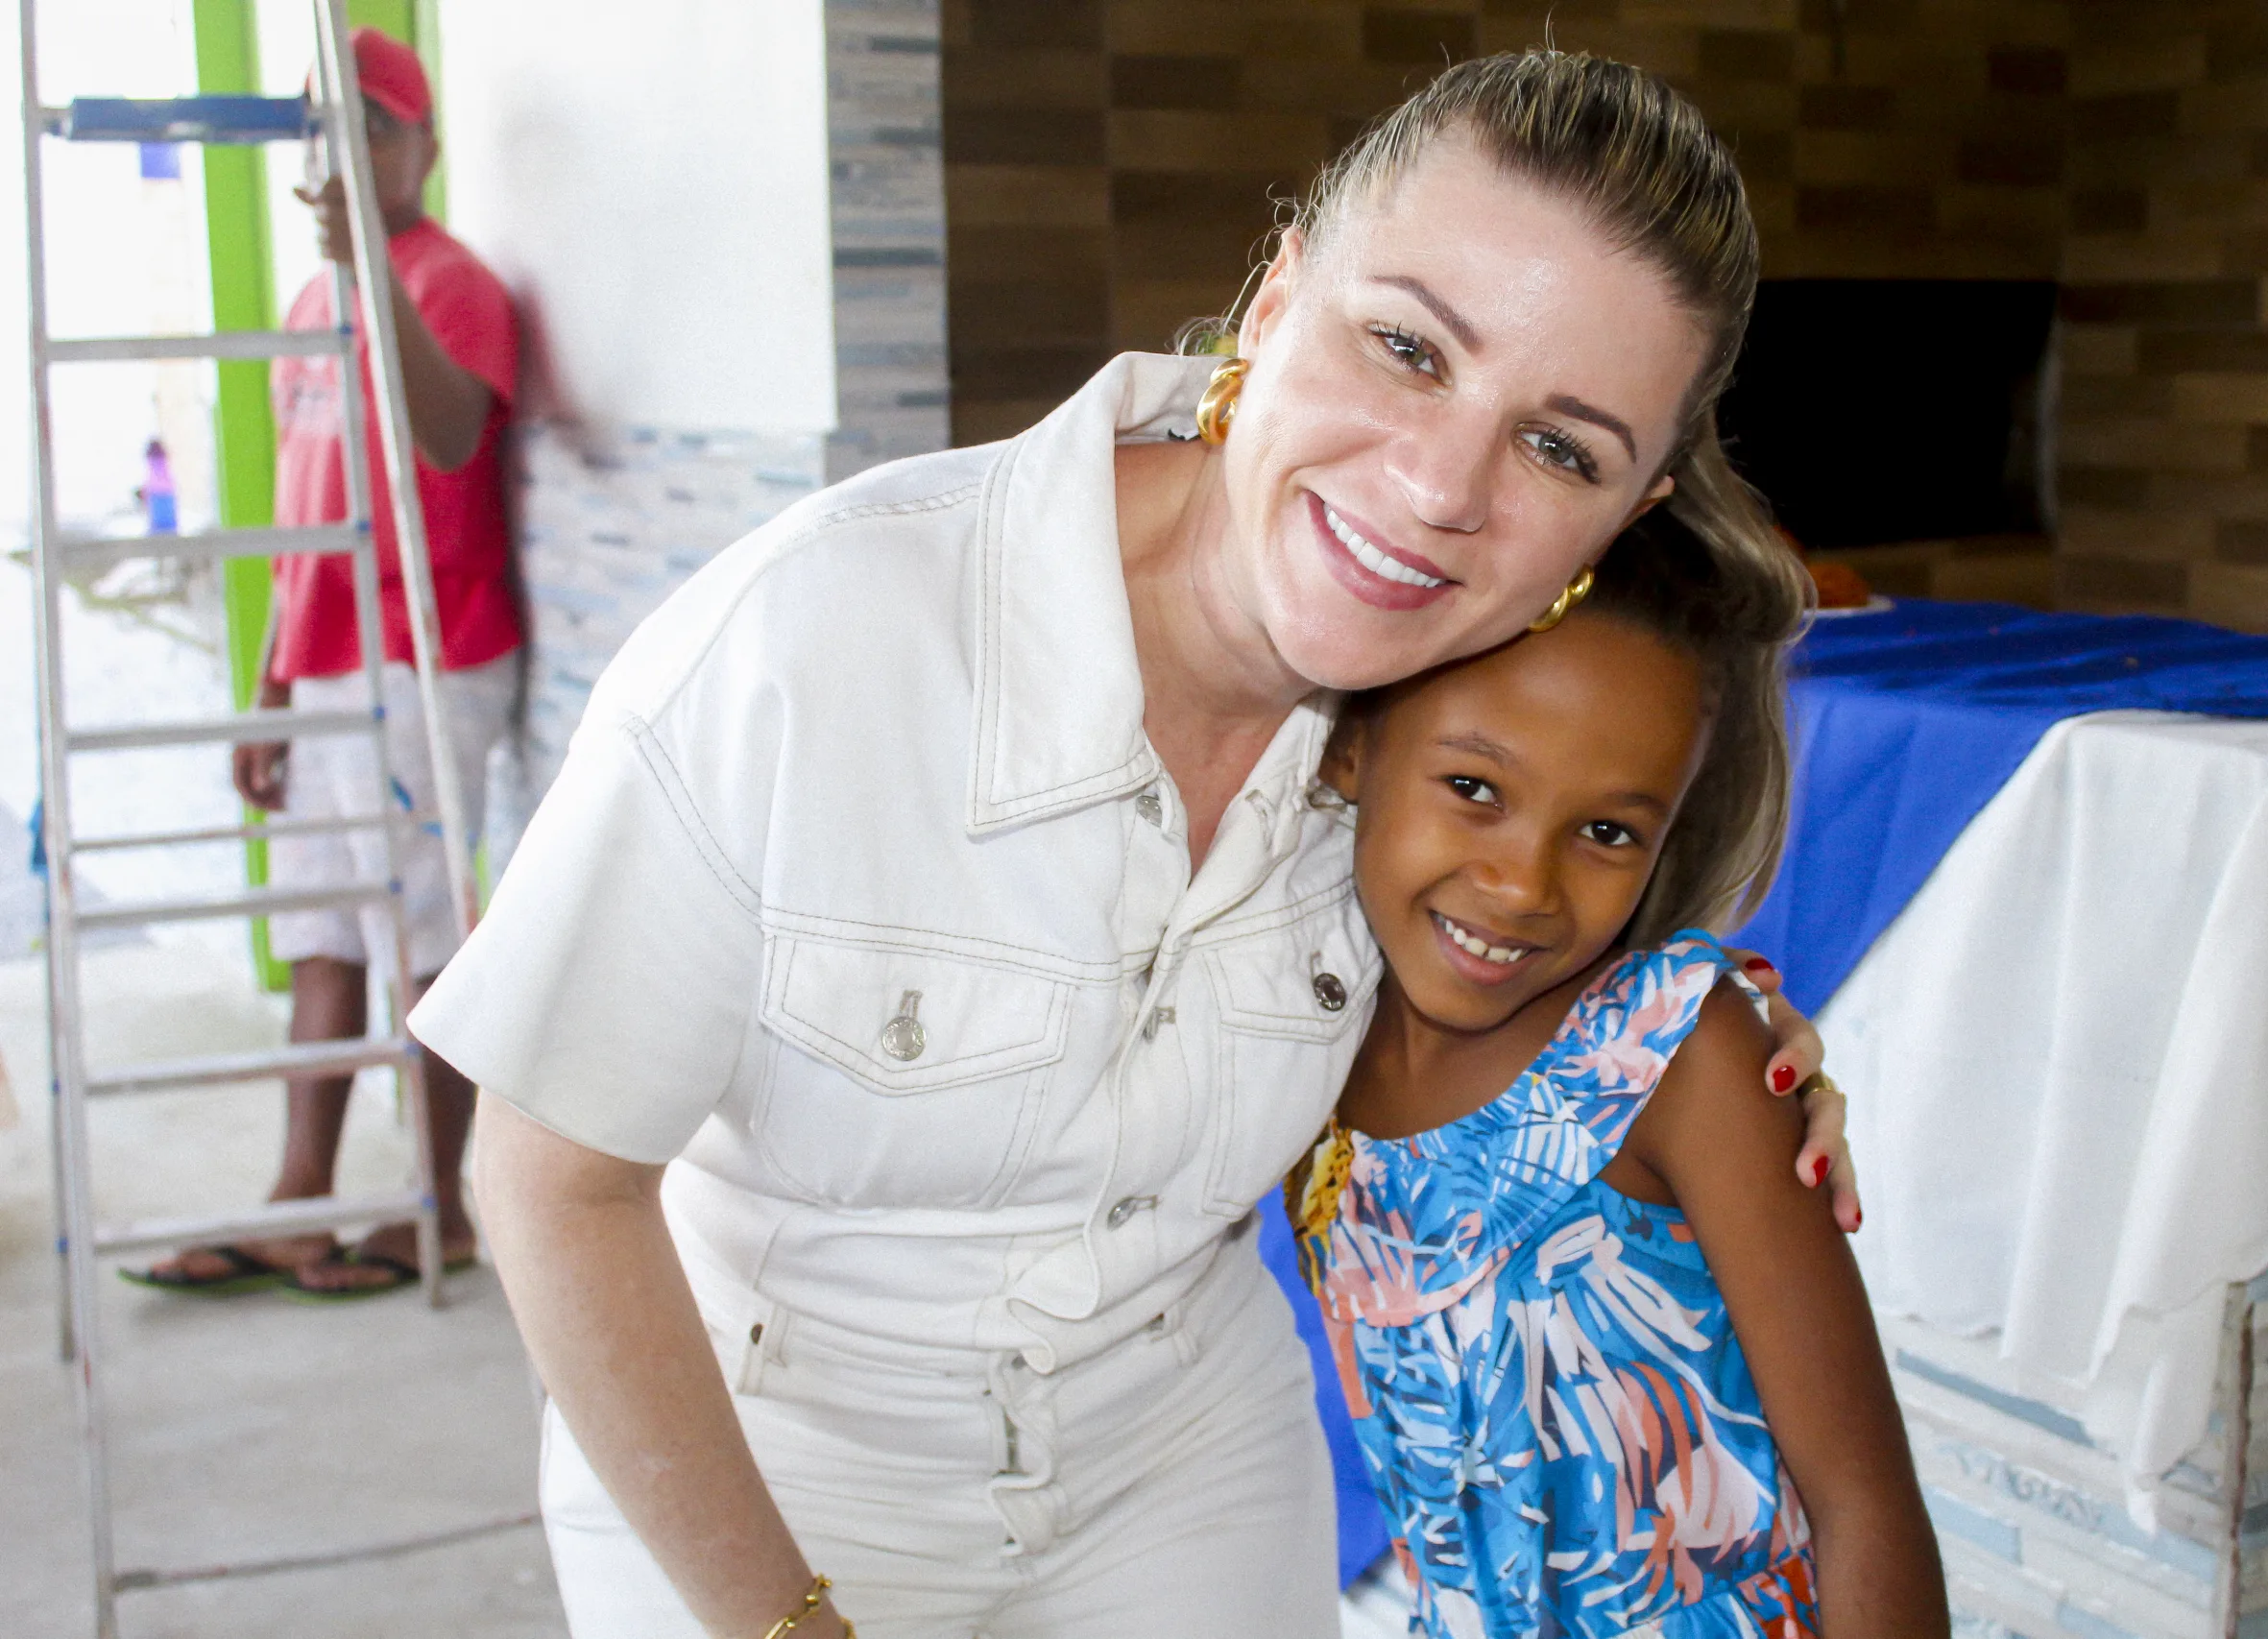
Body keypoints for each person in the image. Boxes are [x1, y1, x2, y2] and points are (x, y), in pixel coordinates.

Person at [415, 51, 1855, 1639]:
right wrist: (783, 1624)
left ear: (1631, 510)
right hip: (760, 1463)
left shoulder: (1454, 730)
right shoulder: (815, 638)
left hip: (1183, 1455)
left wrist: (1701, 1042)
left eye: (1563, 449)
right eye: (1405, 346)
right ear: (1276, 289)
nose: (1441, 487)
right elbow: (553, 1181)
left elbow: (1498, 1007)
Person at [1293, 513, 1947, 1639]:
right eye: (1475, 788)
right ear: (1351, 744)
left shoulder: (1677, 1058)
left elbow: (1862, 1503)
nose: (1520, 886)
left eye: (1604, 830)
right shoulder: (1295, 1029)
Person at [132, 28, 520, 1299]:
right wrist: (271, 688)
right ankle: (303, 1191)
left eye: (372, 124)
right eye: (325, 126)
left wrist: (375, 277)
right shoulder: (308, 301)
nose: (346, 150)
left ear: (422, 145)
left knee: (419, 933)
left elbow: (454, 438)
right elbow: (307, 513)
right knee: (318, 930)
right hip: (328, 661)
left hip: (424, 659)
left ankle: (437, 1205)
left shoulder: (450, 282)